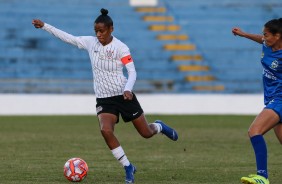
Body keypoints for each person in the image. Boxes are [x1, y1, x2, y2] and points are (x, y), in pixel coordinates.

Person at [32, 8, 178, 184]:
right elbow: (68, 37)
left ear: (111, 29)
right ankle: (128, 166)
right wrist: (45, 26)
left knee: (146, 133)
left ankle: (159, 126)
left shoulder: (121, 48)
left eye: (102, 31)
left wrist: (128, 89)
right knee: (105, 130)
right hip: (104, 99)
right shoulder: (90, 43)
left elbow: (132, 72)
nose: (98, 35)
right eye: (96, 31)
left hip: (124, 96)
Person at [232, 18, 282, 184]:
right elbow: (259, 39)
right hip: (272, 98)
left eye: (266, 34)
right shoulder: (267, 44)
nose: (263, 37)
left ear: (278, 36)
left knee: (255, 130)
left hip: (279, 99)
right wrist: (243, 34)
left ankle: (262, 176)